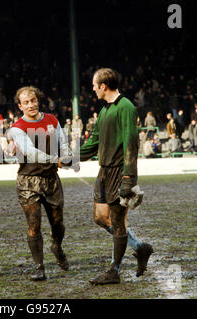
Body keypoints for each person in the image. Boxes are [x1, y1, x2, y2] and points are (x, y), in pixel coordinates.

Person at [73, 68, 153, 285]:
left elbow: (131, 143)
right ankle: (139, 247)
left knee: (118, 222)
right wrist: (72, 157)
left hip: (120, 172)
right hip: (104, 172)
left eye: (94, 85)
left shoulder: (125, 107)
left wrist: (128, 178)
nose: (92, 89)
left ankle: (114, 271)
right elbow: (93, 143)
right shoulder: (105, 110)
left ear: (103, 86)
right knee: (100, 217)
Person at [10, 86, 76, 281]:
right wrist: (55, 160)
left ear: (38, 100)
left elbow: (63, 144)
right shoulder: (17, 128)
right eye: (26, 102)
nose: (31, 105)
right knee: (34, 225)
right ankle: (39, 266)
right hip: (28, 182)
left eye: (33, 100)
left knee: (58, 224)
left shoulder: (52, 120)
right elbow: (31, 152)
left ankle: (57, 246)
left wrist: (67, 156)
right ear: (20, 106)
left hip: (51, 181)